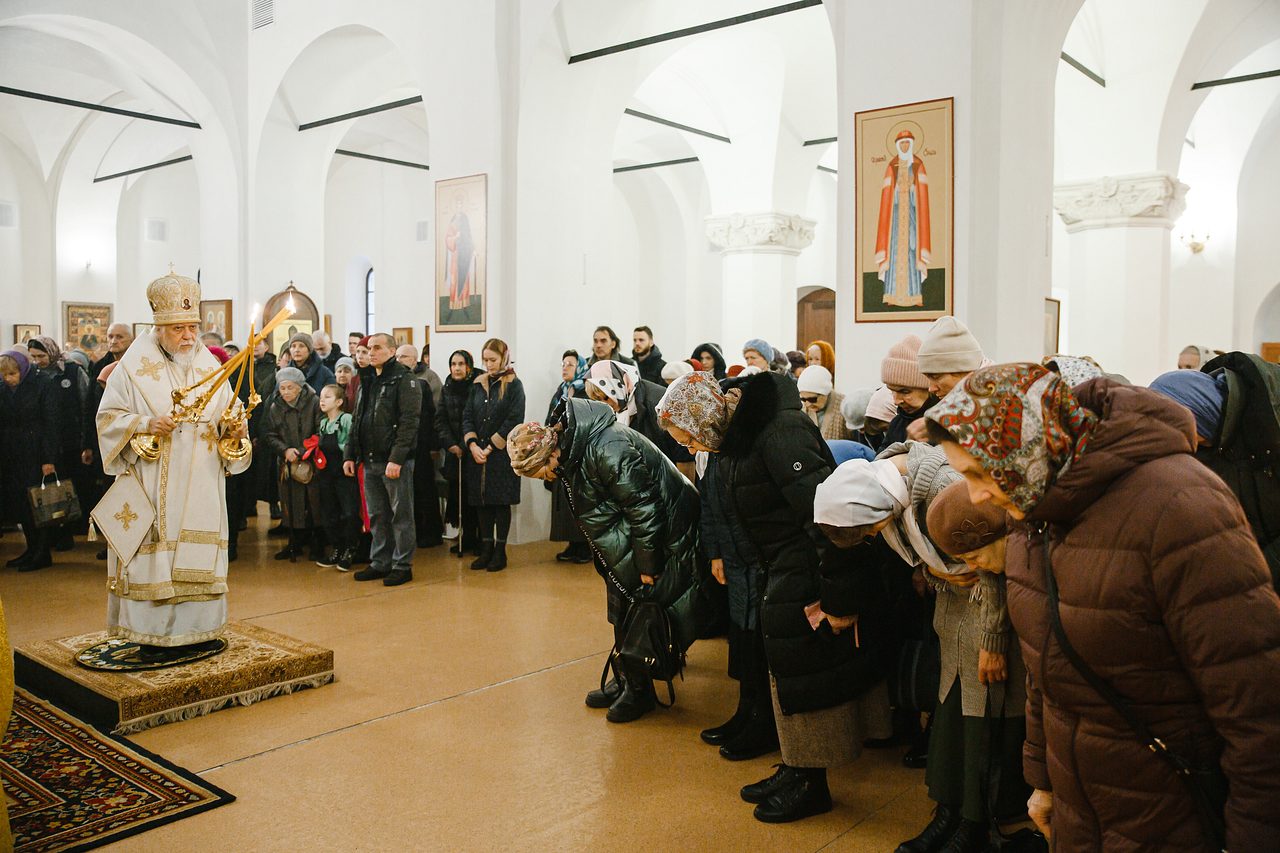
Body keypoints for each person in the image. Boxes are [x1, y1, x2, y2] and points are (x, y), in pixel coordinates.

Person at [926, 363, 1280, 851]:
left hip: (1174, 814)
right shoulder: (1033, 517)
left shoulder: (1181, 506)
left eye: (978, 473)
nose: (976, 495)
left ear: (1026, 446)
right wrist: (1043, 781)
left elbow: (1258, 709)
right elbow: (1046, 670)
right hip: (1080, 809)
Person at [718, 369, 893, 823]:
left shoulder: (780, 432)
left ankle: (812, 782)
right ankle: (796, 766)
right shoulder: (751, 432)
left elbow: (827, 517)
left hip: (805, 567)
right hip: (784, 565)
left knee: (808, 676)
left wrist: (836, 594)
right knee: (788, 675)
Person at [508, 398, 706, 724]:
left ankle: (640, 689)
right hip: (627, 545)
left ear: (548, 454)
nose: (543, 477)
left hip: (663, 540)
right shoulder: (575, 451)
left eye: (537, 471)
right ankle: (627, 677)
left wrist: (648, 565)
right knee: (622, 612)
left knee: (643, 612)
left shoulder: (606, 447)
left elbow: (645, 509)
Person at [94, 272, 251, 652]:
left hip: (202, 481)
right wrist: (146, 424)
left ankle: (200, 631)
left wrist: (234, 429)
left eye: (192, 327)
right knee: (155, 556)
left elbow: (231, 421)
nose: (188, 336)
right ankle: (152, 635)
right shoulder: (130, 370)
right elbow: (107, 419)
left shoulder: (212, 369)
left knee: (199, 555)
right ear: (159, 329)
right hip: (153, 481)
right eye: (178, 328)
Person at [656, 372, 776, 760]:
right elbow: (710, 506)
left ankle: (763, 721)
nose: (690, 449)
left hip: (761, 561)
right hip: (735, 559)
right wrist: (716, 553)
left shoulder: (746, 446)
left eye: (689, 439)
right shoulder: (714, 450)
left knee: (759, 644)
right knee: (741, 638)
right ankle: (746, 711)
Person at [906, 481, 1030, 853]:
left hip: (993, 636)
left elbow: (993, 577)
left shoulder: (1009, 540)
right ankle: (949, 813)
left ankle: (974, 821)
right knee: (952, 723)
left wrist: (993, 640)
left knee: (984, 727)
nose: (972, 567)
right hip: (957, 629)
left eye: (974, 557)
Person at [1150, 354, 1280, 588]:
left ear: (1200, 415)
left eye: (1175, 426)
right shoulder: (1198, 454)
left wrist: (1260, 573)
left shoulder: (1269, 427)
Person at [344, 333, 421, 586]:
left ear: (392, 351)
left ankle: (402, 564)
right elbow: (358, 419)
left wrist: (397, 458)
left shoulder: (404, 379)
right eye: (369, 348)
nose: (371, 352)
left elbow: (409, 422)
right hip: (370, 458)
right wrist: (350, 454)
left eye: (377, 348)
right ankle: (380, 561)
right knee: (377, 514)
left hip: (394, 460)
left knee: (401, 515)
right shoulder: (367, 379)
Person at [462, 338, 525, 572]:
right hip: (477, 453)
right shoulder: (478, 384)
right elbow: (467, 416)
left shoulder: (514, 385)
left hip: (501, 454)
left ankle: (500, 551)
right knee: (482, 502)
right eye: (485, 360)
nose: (488, 364)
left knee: (500, 502)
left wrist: (490, 446)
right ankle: (486, 548)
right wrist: (472, 444)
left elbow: (514, 419)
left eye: (493, 359)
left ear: (504, 358)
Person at [27, 336, 91, 549]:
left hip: (71, 441)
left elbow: (85, 405)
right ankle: (52, 533)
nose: (37, 361)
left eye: (41, 356)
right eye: (33, 357)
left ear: (51, 352)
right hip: (46, 443)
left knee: (69, 487)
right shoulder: (33, 375)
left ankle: (68, 532)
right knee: (48, 490)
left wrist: (85, 440)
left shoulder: (72, 371)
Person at [0, 349, 59, 571]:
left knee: (37, 503)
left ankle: (42, 552)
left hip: (36, 452)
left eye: (12, 374)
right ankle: (31, 548)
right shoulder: (3, 388)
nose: (8, 379)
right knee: (20, 503)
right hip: (12, 453)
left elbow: (51, 423)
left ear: (22, 370)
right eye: (4, 375)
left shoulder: (42, 384)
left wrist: (48, 459)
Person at [584, 360, 693, 476]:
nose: (605, 404)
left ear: (617, 386)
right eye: (597, 400)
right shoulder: (623, 404)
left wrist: (683, 486)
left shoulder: (657, 404)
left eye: (606, 397)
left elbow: (684, 455)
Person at [226, 334, 278, 561]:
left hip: (241, 437)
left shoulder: (245, 375)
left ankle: (233, 537)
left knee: (238, 488)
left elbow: (253, 405)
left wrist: (252, 433)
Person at [262, 367, 323, 561]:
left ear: (300, 387)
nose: (286, 392)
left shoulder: (314, 402)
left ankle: (317, 543)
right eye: (282, 388)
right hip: (286, 461)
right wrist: (285, 450)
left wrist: (303, 451)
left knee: (313, 502)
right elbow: (269, 434)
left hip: (311, 460)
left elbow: (321, 430)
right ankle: (294, 543)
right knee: (290, 502)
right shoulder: (275, 406)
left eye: (290, 387)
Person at [876, 130, 932, 307]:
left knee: (912, 252)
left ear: (912, 144)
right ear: (898, 146)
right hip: (895, 219)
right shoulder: (892, 166)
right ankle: (891, 295)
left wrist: (912, 190)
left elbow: (922, 198)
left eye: (908, 143)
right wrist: (897, 192)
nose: (905, 146)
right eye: (902, 144)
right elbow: (887, 197)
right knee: (894, 252)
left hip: (912, 217)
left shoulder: (918, 165)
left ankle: (914, 295)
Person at [546, 350, 591, 563]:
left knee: (579, 500)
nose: (565, 368)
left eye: (570, 364)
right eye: (563, 364)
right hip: (560, 453)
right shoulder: (561, 390)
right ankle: (572, 544)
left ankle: (584, 546)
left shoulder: (585, 391)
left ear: (580, 367)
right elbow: (551, 417)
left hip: (578, 455)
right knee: (564, 502)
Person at [397, 345, 443, 549]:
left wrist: (434, 444)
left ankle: (431, 532)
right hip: (403, 446)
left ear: (415, 360)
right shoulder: (395, 380)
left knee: (425, 489)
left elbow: (434, 415)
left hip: (423, 444)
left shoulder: (426, 381)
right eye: (397, 356)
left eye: (404, 357)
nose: (400, 360)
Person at [438, 350, 480, 556]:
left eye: (461, 364)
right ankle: (466, 535)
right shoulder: (447, 387)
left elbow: (476, 418)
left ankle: (480, 538)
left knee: (474, 495)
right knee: (458, 495)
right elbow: (441, 419)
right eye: (453, 364)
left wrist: (465, 444)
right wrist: (450, 444)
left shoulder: (477, 386)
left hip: (473, 448)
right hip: (454, 451)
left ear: (469, 366)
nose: (457, 368)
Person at [315, 384, 359, 571]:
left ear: (339, 401)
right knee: (330, 513)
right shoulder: (323, 423)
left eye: (328, 397)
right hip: (326, 474)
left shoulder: (346, 419)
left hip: (344, 473)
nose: (322, 401)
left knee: (349, 512)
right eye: (321, 397)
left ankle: (350, 549)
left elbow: (352, 442)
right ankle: (337, 548)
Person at [882, 335, 937, 445]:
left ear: (928, 388)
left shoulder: (948, 423)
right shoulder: (896, 423)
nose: (896, 401)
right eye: (892, 391)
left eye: (904, 391)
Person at [798, 365, 850, 441]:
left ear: (826, 393)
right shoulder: (802, 409)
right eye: (803, 399)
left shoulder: (846, 407)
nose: (808, 404)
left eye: (812, 399)